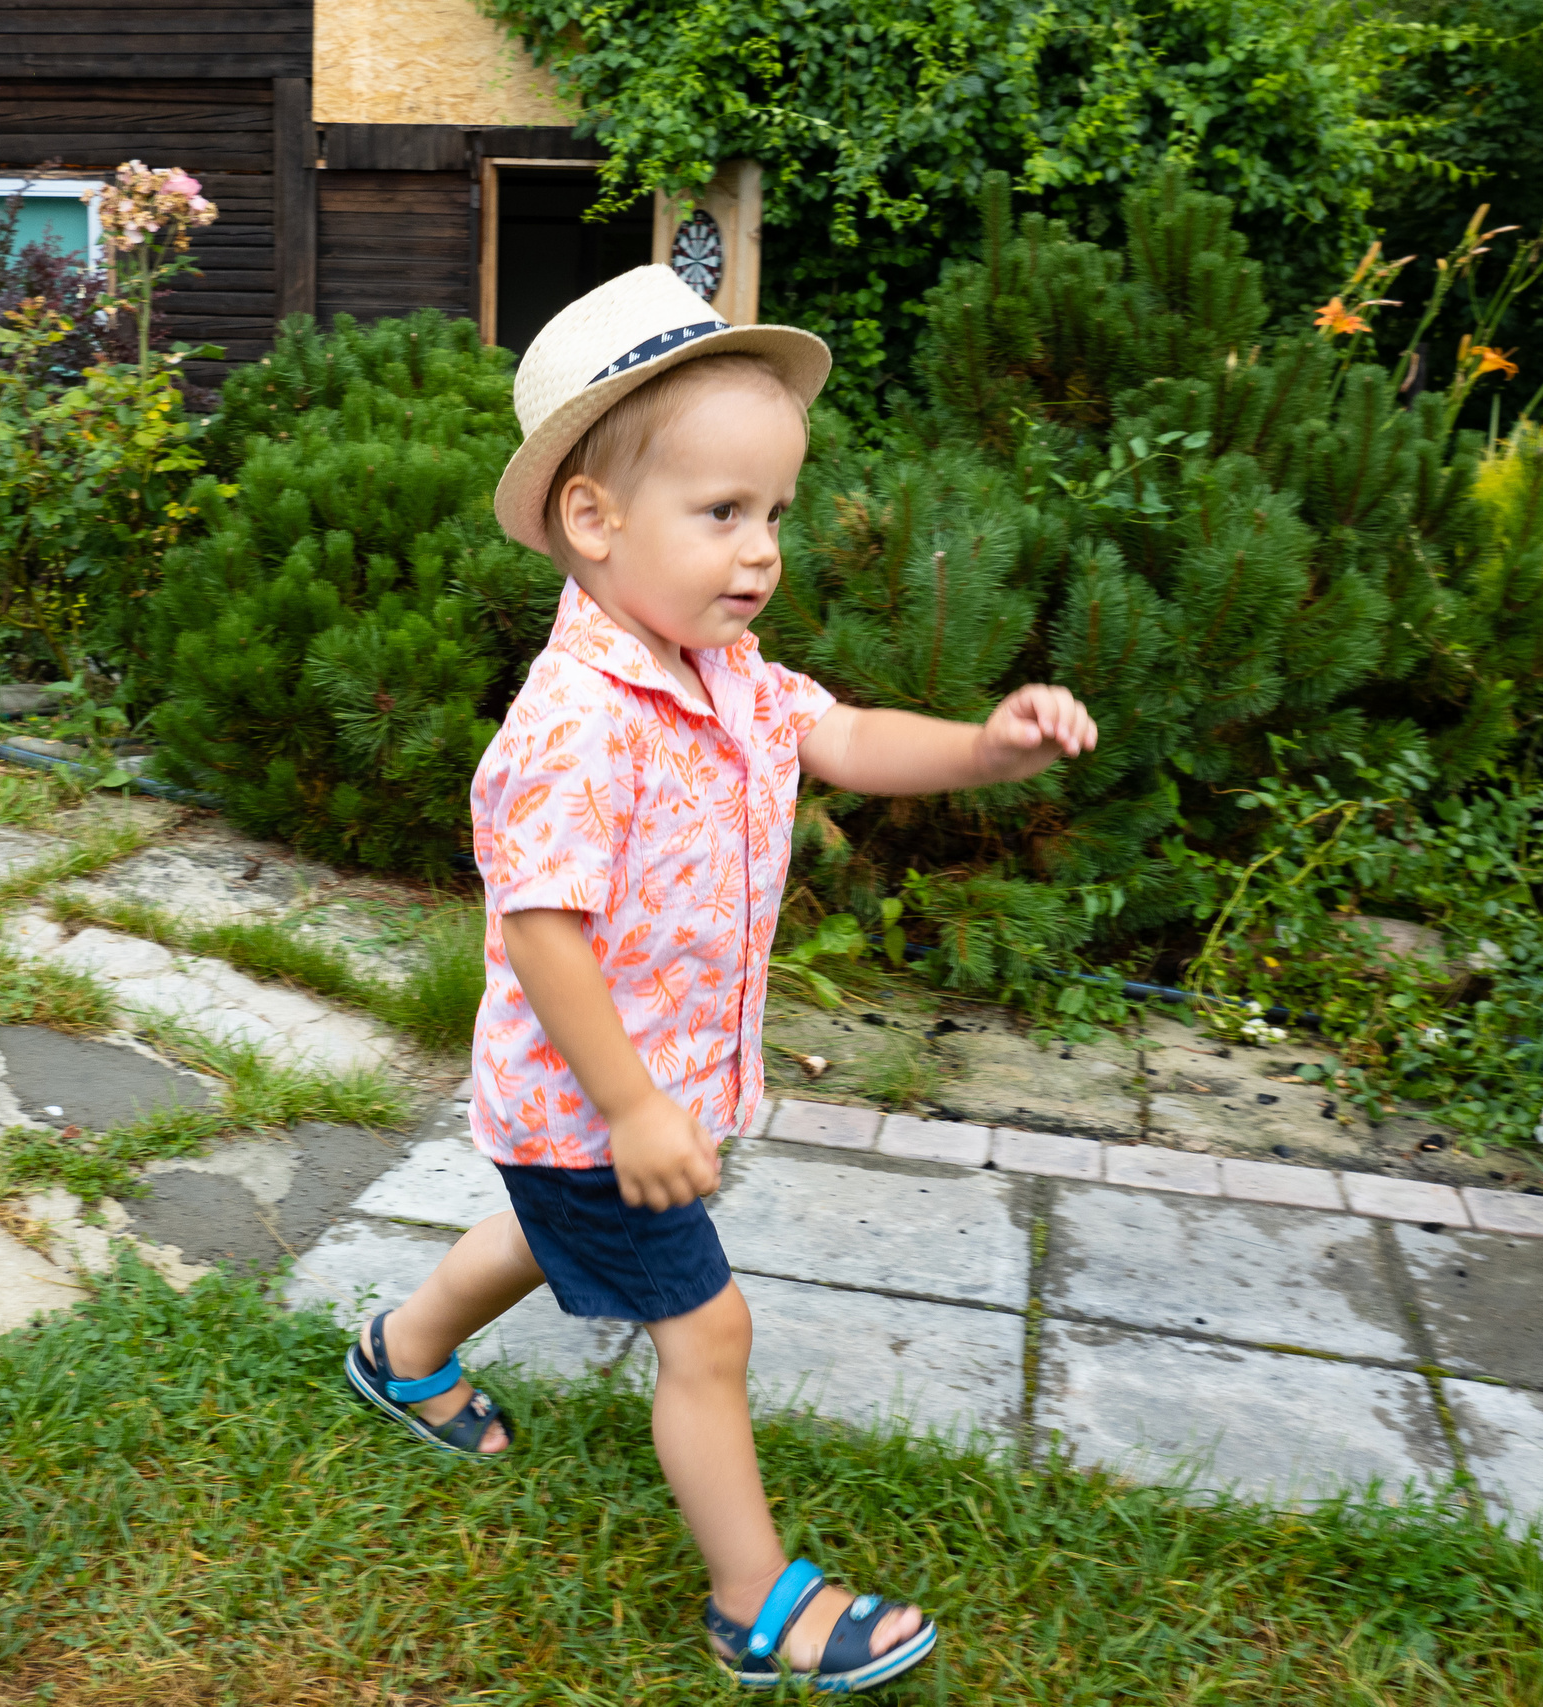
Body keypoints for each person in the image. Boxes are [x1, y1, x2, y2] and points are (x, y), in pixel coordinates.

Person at [342, 265, 1099, 1693]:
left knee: (552, 1227)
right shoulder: (575, 723)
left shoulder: (729, 672)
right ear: (595, 520)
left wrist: (992, 747)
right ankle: (756, 1603)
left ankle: (403, 1348)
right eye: (722, 514)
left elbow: (854, 737)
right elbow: (542, 929)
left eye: (775, 515)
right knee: (706, 1325)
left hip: (618, 1107)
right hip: (594, 1100)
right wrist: (632, 1108)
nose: (760, 553)